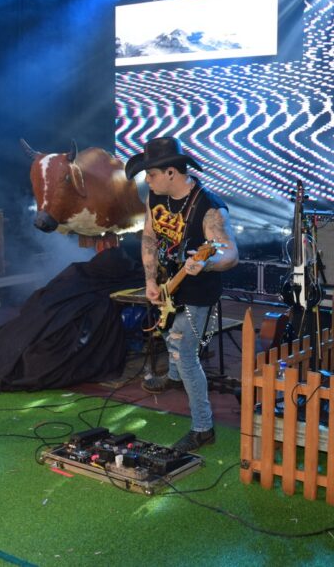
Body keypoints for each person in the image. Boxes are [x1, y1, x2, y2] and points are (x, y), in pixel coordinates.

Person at [125, 137, 238, 453]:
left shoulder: (209, 208)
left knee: (185, 353)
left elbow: (230, 254)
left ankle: (203, 428)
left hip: (199, 292)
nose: (147, 181)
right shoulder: (156, 195)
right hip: (167, 285)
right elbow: (150, 235)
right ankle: (173, 377)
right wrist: (150, 279)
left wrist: (207, 264)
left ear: (172, 172)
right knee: (169, 337)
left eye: (151, 174)